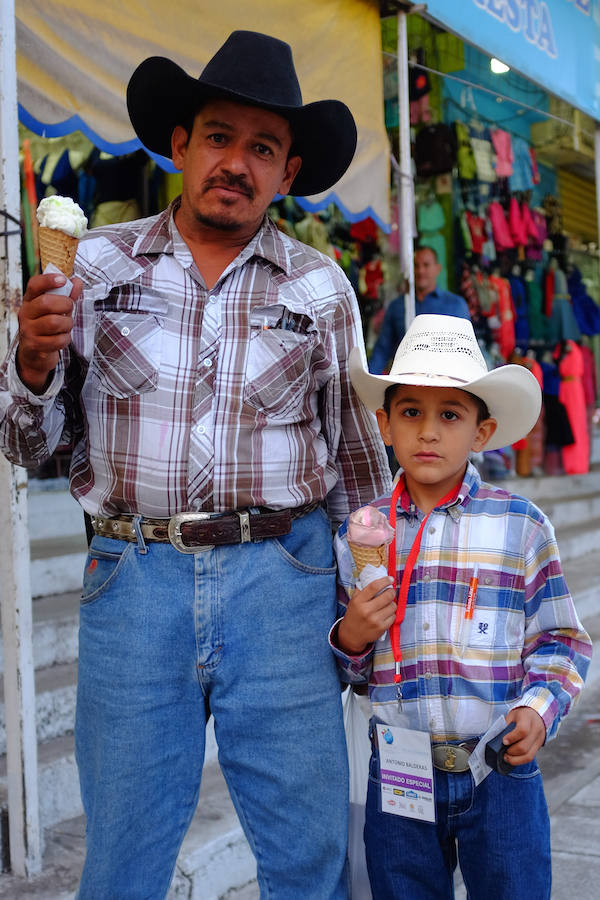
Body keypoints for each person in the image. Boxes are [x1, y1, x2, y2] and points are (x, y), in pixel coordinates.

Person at [0, 31, 392, 900]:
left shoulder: (322, 289)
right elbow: (28, 446)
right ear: (179, 144)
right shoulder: (95, 268)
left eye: (263, 148)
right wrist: (29, 366)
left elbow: (361, 475)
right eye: (219, 137)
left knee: (307, 859)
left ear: (288, 174)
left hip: (283, 586)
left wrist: (373, 596)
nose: (236, 164)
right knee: (124, 865)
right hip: (132, 580)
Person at [331, 314, 592, 900]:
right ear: (384, 425)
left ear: (481, 431)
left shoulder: (519, 526)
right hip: (399, 774)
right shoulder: (362, 536)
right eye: (411, 412)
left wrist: (538, 709)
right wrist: (350, 638)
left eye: (450, 414)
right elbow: (349, 672)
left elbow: (562, 641)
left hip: (498, 766)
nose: (429, 432)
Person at [369, 246, 470, 375]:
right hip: (407, 380)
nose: (420, 271)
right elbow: (382, 349)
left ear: (437, 269)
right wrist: (367, 383)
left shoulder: (455, 305)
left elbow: (466, 351)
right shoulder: (397, 306)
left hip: (445, 381)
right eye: (416, 266)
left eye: (426, 265)